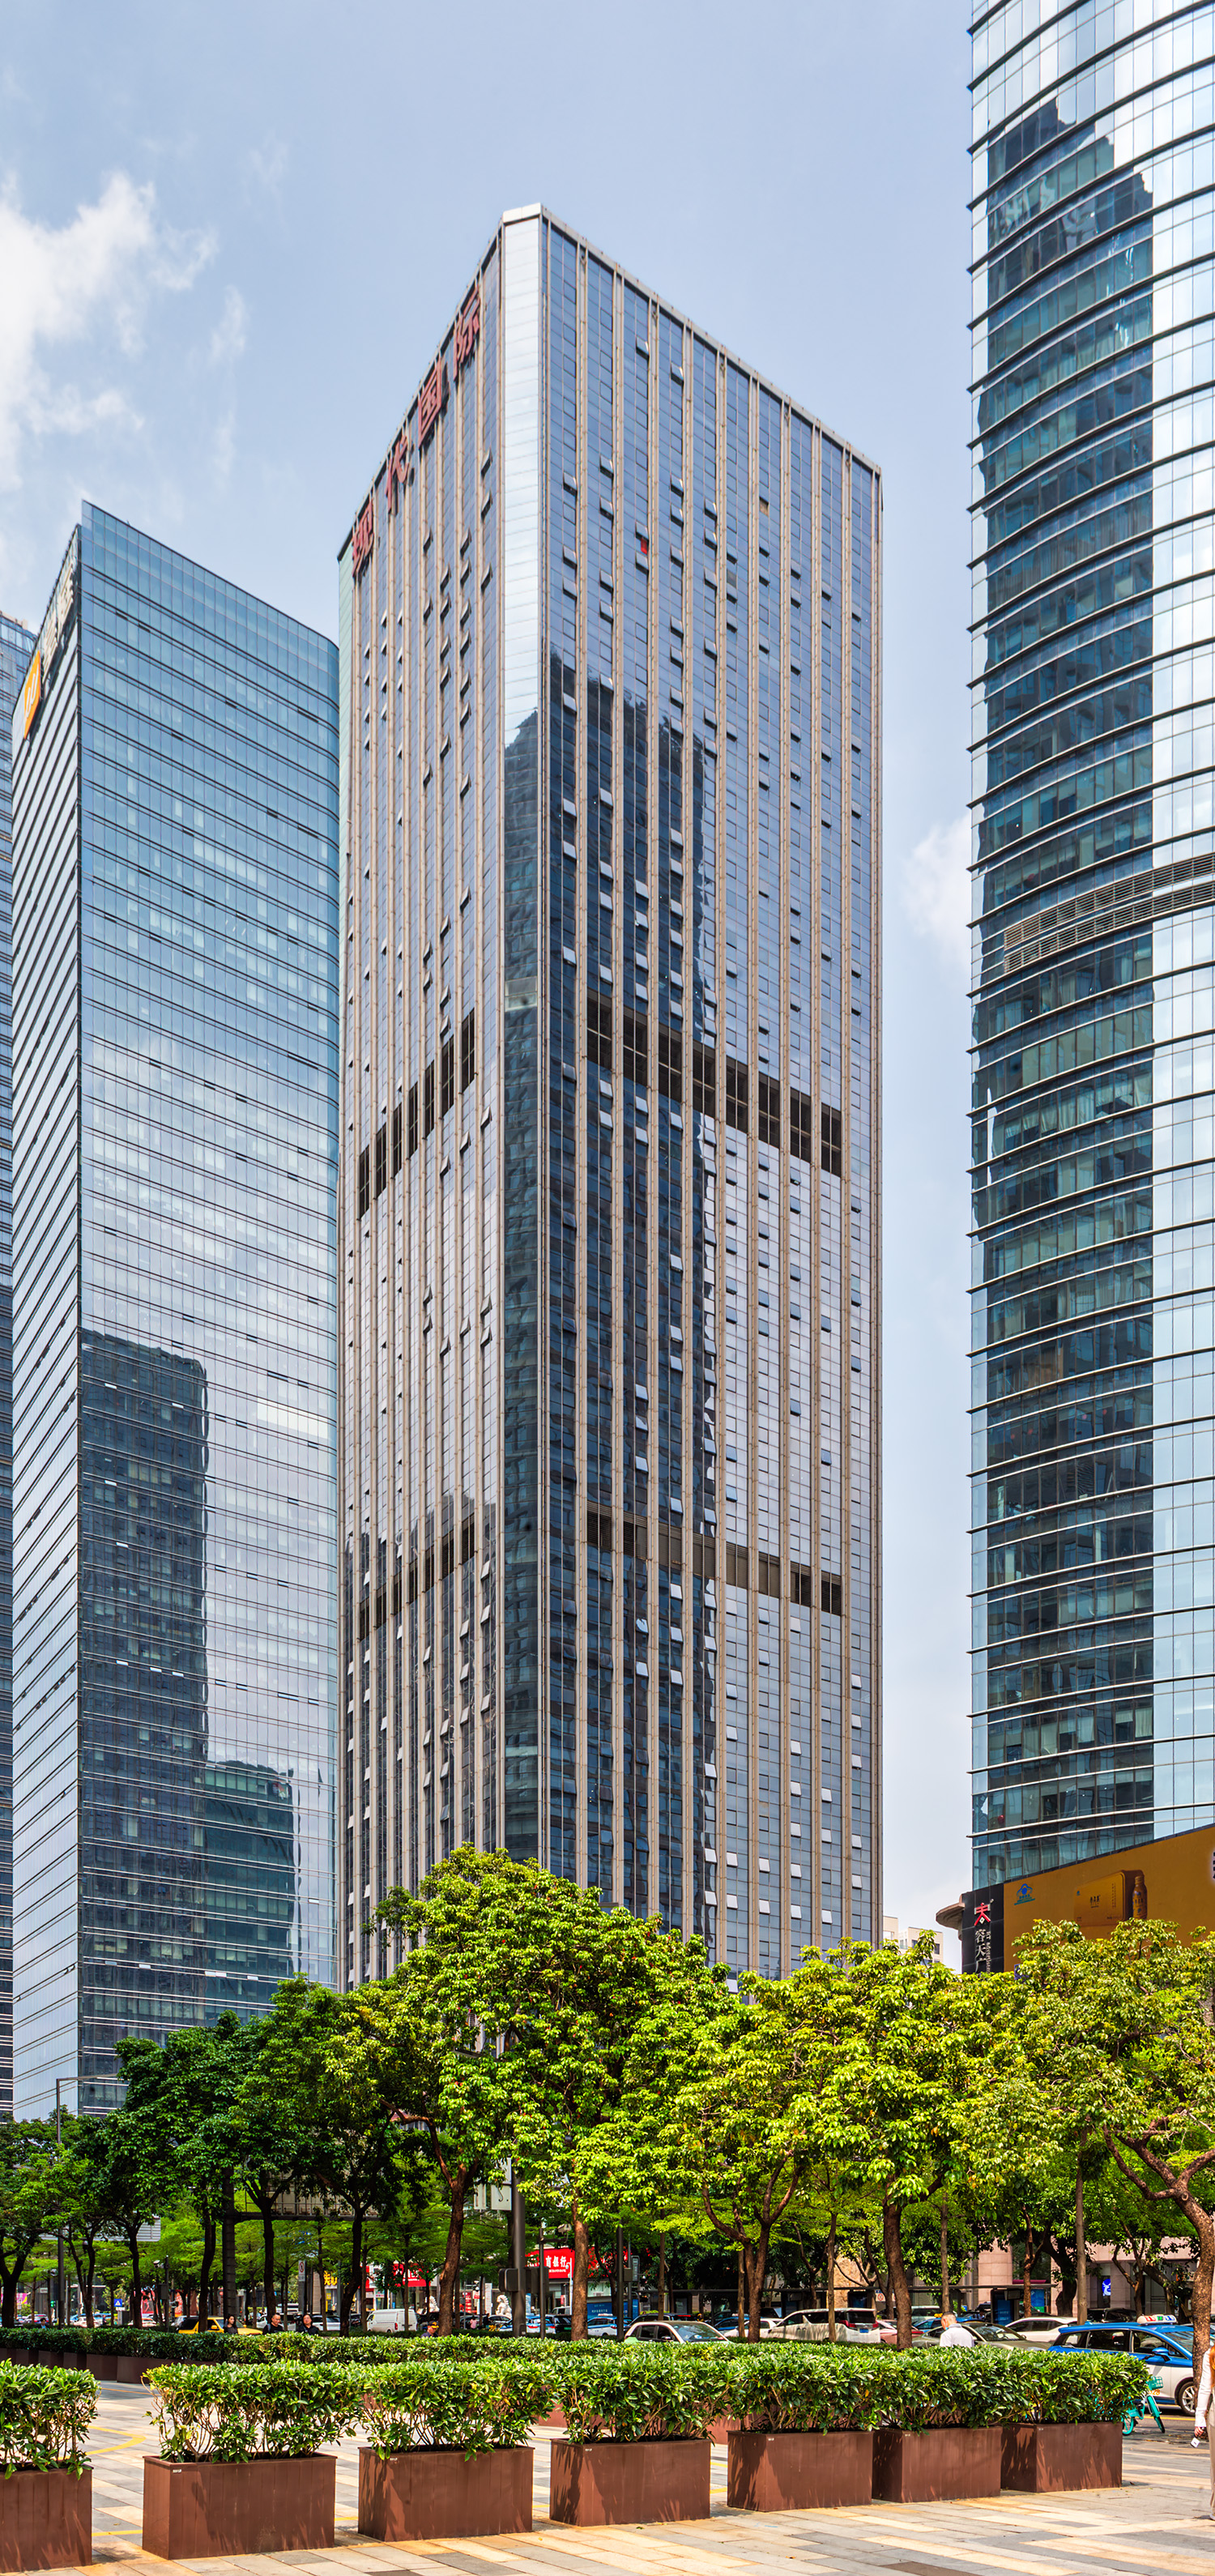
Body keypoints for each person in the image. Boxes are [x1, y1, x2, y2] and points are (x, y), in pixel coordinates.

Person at [1190, 2322, 1215, 2515]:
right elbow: (1205, 2388)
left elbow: (1206, 2389)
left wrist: (1200, 2419)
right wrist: (1199, 2419)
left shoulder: (1211, 2354)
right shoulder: (1211, 2355)